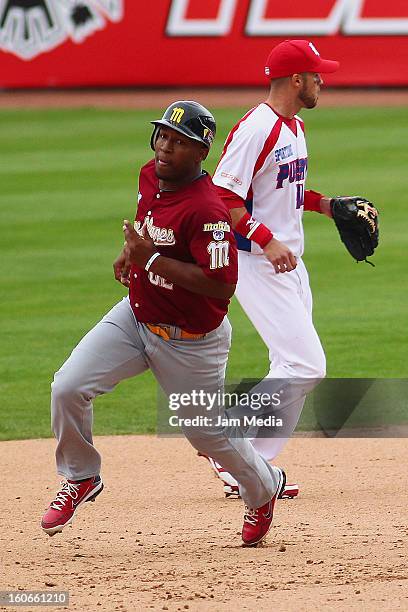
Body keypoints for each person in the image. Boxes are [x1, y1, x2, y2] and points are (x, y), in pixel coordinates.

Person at [41, 100, 285, 547]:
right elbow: (148, 220)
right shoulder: (150, 175)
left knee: (207, 436)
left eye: (179, 142)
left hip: (191, 343)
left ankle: (264, 488)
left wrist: (149, 258)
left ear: (200, 152)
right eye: (162, 136)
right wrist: (130, 252)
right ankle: (81, 476)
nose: (165, 148)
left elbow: (220, 284)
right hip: (136, 317)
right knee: (67, 387)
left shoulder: (208, 212)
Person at [203, 40, 340, 496]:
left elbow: (287, 190)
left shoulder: (295, 127)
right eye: (317, 74)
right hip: (256, 262)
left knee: (288, 362)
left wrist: (328, 206)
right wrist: (266, 239)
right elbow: (223, 197)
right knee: (306, 365)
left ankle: (251, 467)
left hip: (289, 262)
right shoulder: (255, 128)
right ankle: (224, 433)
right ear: (296, 79)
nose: (323, 81)